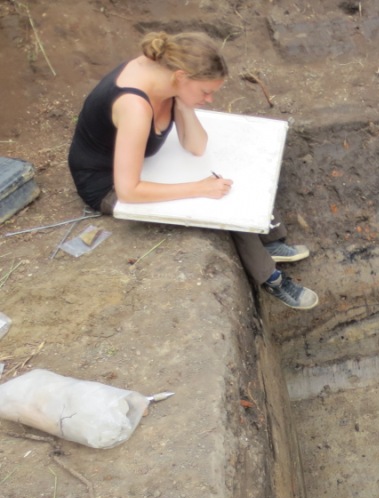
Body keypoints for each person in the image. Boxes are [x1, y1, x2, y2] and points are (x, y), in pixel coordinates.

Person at [67, 30, 318, 310]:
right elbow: (128, 190)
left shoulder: (165, 75)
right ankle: (270, 278)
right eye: (205, 92)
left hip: (138, 163)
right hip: (108, 185)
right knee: (215, 206)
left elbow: (196, 146)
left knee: (226, 171)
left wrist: (185, 106)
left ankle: (270, 240)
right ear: (181, 76)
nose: (209, 99)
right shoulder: (135, 107)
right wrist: (199, 188)